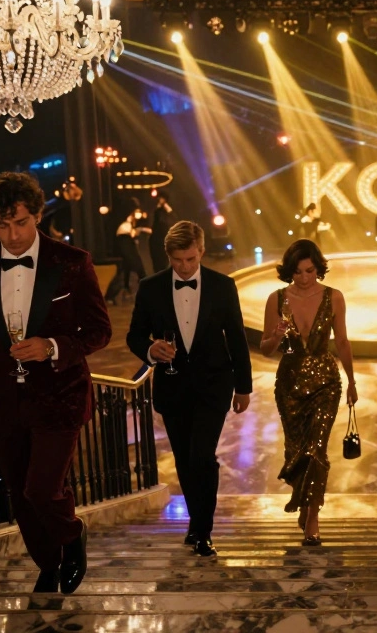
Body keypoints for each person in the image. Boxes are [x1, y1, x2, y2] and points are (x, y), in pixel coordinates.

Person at [0, 172, 112, 595]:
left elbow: (99, 330)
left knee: (42, 487)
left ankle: (71, 535)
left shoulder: (71, 261)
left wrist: (53, 346)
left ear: (37, 214)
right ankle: (48, 563)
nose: (12, 235)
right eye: (1, 226)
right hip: (1, 398)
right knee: (19, 494)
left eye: (20, 222)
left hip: (60, 395)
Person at [126, 221, 253, 557]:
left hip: (213, 385)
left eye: (191, 259)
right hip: (172, 385)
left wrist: (244, 387)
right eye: (178, 260)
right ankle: (197, 523)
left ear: (201, 252)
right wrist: (151, 349)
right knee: (184, 459)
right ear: (169, 256)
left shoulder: (223, 286)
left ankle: (202, 529)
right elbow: (134, 335)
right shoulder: (150, 288)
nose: (184, 267)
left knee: (201, 456)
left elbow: (237, 339)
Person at [258, 240, 358, 545]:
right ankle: (303, 499)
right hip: (288, 384)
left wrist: (352, 381)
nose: (304, 278)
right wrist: (275, 337)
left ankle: (312, 517)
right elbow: (264, 349)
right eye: (298, 272)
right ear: (290, 271)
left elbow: (342, 342)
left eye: (310, 271)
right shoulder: (276, 299)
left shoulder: (334, 297)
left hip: (326, 382)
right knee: (296, 451)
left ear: (319, 268)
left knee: (316, 449)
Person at [106, 202, 148, 305]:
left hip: (126, 247)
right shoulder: (125, 226)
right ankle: (111, 296)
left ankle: (111, 297)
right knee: (131, 272)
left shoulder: (127, 226)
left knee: (124, 274)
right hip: (126, 247)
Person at [149, 192, 176, 274]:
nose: (159, 200)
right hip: (156, 236)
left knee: (163, 258)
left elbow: (172, 217)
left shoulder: (167, 210)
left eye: (161, 198)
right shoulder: (157, 210)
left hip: (163, 236)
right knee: (156, 258)